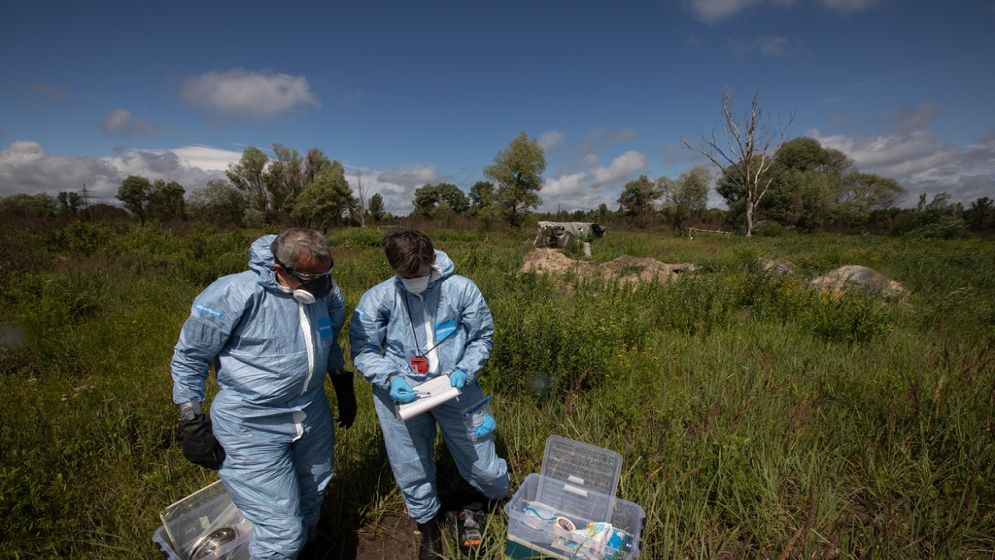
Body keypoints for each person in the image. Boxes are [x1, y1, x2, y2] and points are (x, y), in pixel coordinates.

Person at [171, 228, 356, 560]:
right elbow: (191, 356)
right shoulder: (235, 293)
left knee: (313, 490)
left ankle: (307, 547)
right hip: (251, 425)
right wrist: (192, 419)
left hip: (311, 413)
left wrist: (341, 382)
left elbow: (328, 339)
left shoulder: (325, 292)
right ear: (279, 269)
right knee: (281, 531)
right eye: (311, 278)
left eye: (325, 273)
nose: (321, 284)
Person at [349, 230, 509, 559]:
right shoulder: (378, 298)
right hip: (401, 393)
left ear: (433, 260)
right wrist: (389, 377)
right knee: (411, 465)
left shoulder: (461, 289)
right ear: (394, 269)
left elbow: (482, 336)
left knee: (484, 466)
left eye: (420, 273)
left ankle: (484, 498)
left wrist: (465, 369)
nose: (415, 281)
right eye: (406, 276)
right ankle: (429, 528)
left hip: (456, 387)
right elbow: (363, 348)